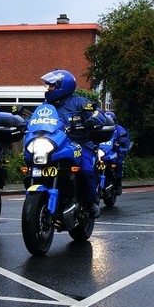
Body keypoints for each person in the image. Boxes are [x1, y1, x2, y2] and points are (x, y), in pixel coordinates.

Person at [40, 69, 106, 218]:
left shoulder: (80, 103)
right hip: (56, 146)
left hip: (79, 144)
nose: (48, 89)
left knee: (85, 169)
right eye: (48, 86)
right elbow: (36, 119)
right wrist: (25, 123)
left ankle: (91, 202)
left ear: (62, 86)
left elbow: (96, 113)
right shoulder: (46, 106)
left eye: (51, 86)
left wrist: (92, 120)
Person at [104, 111, 131, 195]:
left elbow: (124, 137)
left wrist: (121, 142)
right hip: (102, 150)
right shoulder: (100, 128)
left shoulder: (118, 129)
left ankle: (118, 184)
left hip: (115, 150)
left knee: (118, 163)